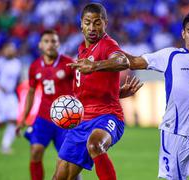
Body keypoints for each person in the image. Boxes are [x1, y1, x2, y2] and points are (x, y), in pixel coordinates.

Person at [69, 10, 189, 180]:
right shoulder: (170, 56)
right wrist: (106, 51)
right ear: (183, 33)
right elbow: (133, 61)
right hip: (173, 134)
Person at [17, 29, 142, 180]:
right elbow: (85, 91)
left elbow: (122, 61)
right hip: (56, 117)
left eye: (54, 41)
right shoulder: (80, 52)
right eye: (46, 41)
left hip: (79, 117)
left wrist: (95, 66)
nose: (50, 45)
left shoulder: (101, 48)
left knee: (95, 145)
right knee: (59, 173)